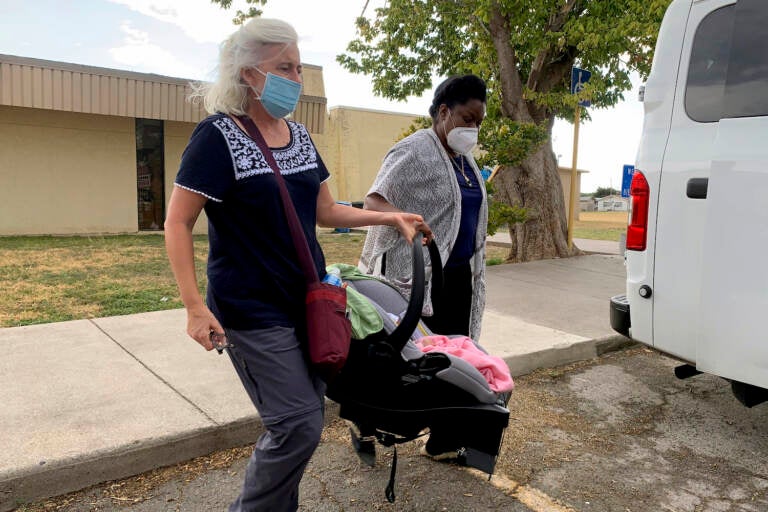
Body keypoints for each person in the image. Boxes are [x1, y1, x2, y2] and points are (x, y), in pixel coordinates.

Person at [164, 18, 431, 512]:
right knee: (297, 424)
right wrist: (194, 307)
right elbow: (177, 223)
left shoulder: (300, 136)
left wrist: (389, 216)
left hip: (307, 301)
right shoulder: (216, 137)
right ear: (248, 74)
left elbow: (326, 211)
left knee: (303, 421)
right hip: (250, 308)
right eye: (283, 67)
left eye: (299, 67)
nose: (296, 78)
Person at [359, 74, 488, 341]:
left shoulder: (465, 160)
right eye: (468, 119)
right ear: (444, 112)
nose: (473, 128)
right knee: (424, 357)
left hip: (459, 276)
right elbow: (374, 200)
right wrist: (404, 219)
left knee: (457, 352)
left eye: (478, 123)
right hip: (422, 279)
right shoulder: (414, 149)